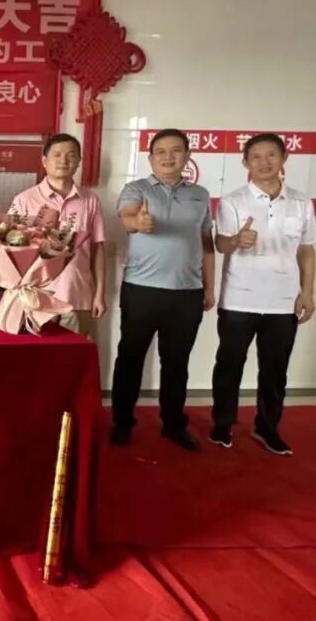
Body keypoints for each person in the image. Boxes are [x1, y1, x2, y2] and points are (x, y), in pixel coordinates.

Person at [210, 133, 316, 456]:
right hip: (239, 298)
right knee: (229, 365)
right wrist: (236, 241)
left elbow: (307, 250)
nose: (264, 162)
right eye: (256, 157)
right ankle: (222, 424)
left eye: (271, 155)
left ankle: (268, 428)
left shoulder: (301, 202)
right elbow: (220, 244)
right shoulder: (233, 201)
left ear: (284, 158)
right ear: (245, 163)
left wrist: (307, 292)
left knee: (275, 370)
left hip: (283, 301)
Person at [111, 128, 215, 452]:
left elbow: (207, 243)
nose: (168, 157)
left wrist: (209, 287)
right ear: (150, 158)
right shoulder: (137, 189)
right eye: (161, 151)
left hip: (187, 293)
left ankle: (173, 425)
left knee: (176, 363)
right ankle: (122, 423)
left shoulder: (200, 194)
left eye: (176, 150)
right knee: (130, 359)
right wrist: (138, 223)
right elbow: (127, 217)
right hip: (141, 290)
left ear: (187, 155)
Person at [9, 134, 105, 334]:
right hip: (36, 298)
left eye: (71, 155)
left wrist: (99, 294)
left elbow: (97, 249)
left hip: (78, 295)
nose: (64, 160)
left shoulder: (90, 200)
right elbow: (10, 250)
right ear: (44, 161)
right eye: (57, 155)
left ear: (79, 161)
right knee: (37, 353)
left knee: (75, 353)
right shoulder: (24, 200)